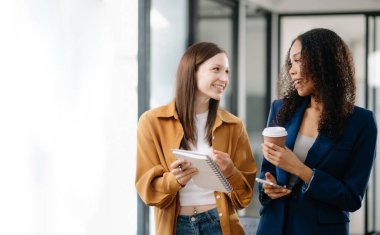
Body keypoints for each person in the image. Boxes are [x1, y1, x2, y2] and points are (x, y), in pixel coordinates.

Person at [256, 28, 377, 235]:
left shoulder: (361, 122)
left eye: (298, 60)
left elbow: (351, 198)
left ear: (323, 61)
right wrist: (268, 187)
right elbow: (268, 169)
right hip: (273, 226)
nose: (292, 70)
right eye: (290, 63)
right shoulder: (281, 109)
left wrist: (301, 170)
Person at [135, 42, 257, 235]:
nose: (223, 78)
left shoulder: (234, 126)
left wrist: (231, 172)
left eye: (226, 71)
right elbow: (147, 191)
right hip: (176, 227)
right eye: (216, 69)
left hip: (219, 224)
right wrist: (173, 180)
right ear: (192, 72)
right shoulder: (151, 122)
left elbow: (245, 197)